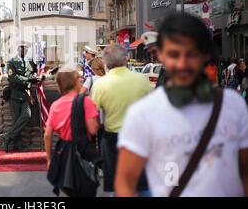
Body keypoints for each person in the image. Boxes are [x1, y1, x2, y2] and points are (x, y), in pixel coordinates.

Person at [115, 13, 248, 197]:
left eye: (191, 54)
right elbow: (125, 183)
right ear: (160, 54)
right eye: (174, 54)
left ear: (205, 54)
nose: (182, 63)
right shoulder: (142, 114)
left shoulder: (234, 106)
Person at [90, 44, 151, 196]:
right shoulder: (141, 79)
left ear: (106, 62)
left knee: (119, 186)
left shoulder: (100, 85)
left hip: (113, 140)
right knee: (143, 184)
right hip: (139, 137)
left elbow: (93, 117)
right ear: (125, 59)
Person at [45, 67, 99, 196]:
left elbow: (47, 134)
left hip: (64, 152)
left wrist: (49, 159)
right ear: (75, 81)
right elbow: (93, 128)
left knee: (66, 188)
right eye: (79, 79)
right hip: (83, 151)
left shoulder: (56, 105)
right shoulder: (86, 102)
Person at [0, 42, 39, 152]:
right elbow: (13, 77)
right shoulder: (12, 62)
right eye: (23, 49)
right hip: (15, 94)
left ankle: (7, 136)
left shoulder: (28, 62)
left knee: (27, 115)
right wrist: (28, 79)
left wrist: (36, 77)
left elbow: (31, 73)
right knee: (16, 121)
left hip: (25, 94)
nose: (25, 51)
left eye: (26, 49)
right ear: (18, 49)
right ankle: (19, 145)